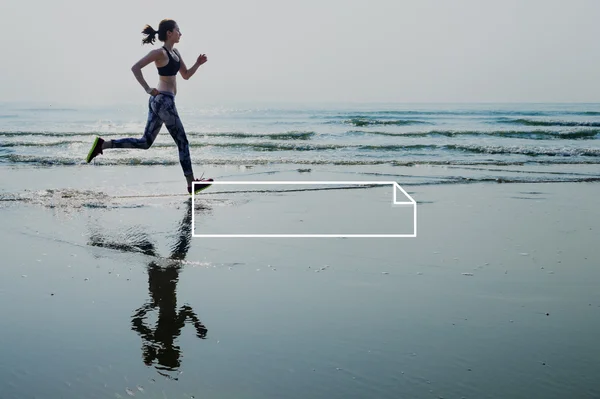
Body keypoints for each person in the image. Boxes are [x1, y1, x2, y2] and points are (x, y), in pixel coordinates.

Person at [86, 19, 213, 195]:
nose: (180, 34)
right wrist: (147, 88)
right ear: (169, 33)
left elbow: (185, 75)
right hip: (163, 101)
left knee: (145, 142)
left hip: (161, 102)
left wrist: (198, 64)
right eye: (178, 30)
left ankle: (103, 145)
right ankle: (191, 184)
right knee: (182, 142)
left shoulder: (175, 53)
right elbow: (135, 67)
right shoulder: (159, 53)